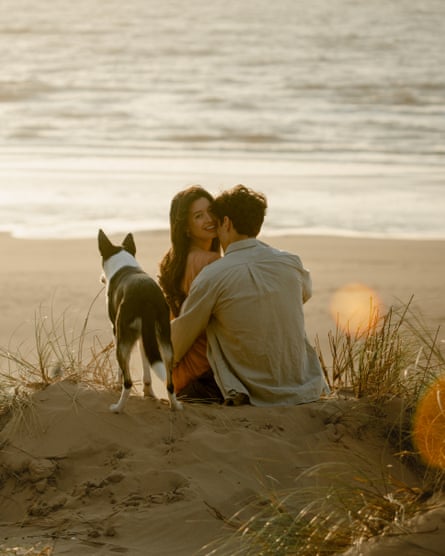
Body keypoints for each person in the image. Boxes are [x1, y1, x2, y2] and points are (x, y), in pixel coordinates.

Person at [171, 184, 330, 406]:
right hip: (303, 387)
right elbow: (302, 295)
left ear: (225, 223)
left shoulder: (213, 275)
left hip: (250, 390)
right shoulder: (291, 262)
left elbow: (179, 340)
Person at [158, 185, 223, 402]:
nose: (209, 219)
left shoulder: (172, 260)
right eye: (198, 216)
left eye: (211, 211)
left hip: (178, 376)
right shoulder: (210, 262)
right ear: (185, 227)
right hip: (205, 373)